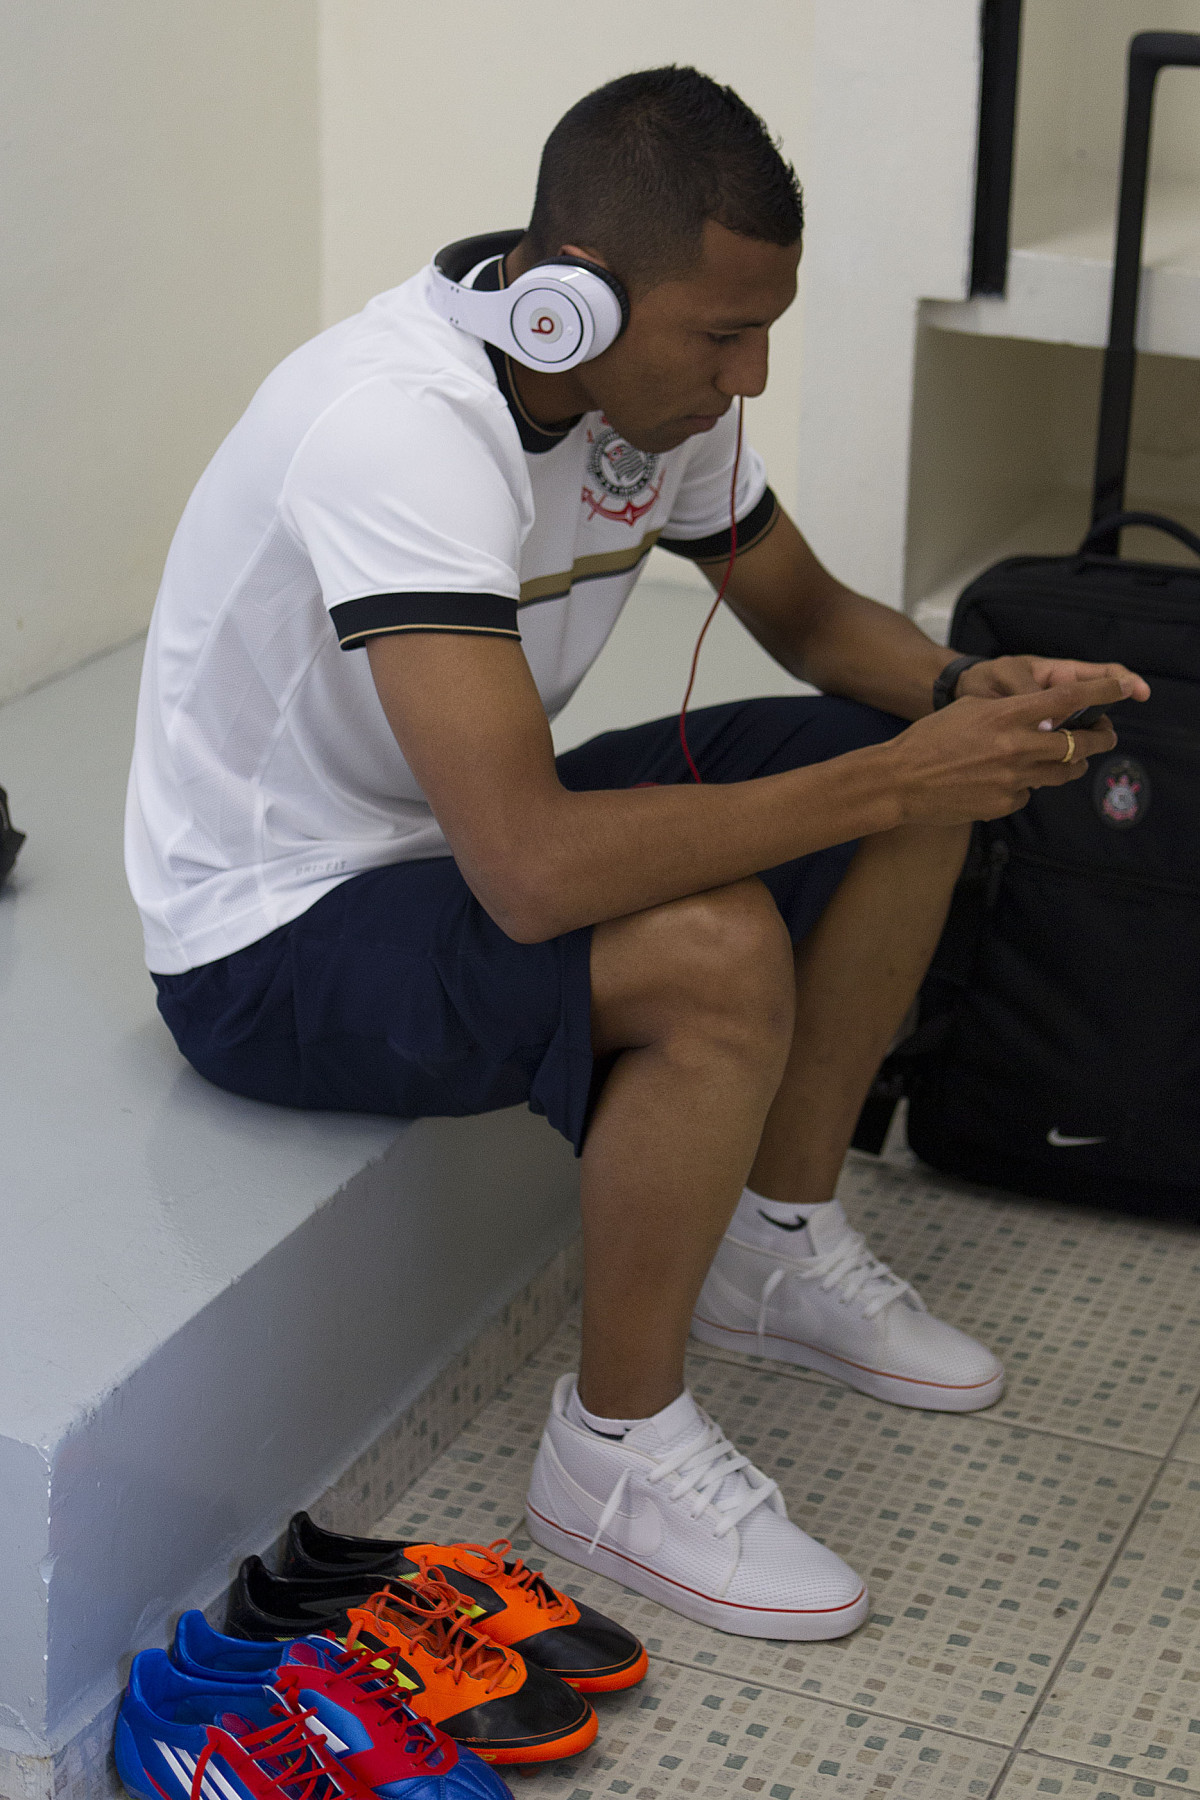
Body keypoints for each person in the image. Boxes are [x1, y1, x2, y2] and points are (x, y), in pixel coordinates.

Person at [126, 67, 1145, 1644]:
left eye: (767, 335)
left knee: (930, 784)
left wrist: (963, 703)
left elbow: (806, 621)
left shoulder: (645, 404)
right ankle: (610, 1453)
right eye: (720, 336)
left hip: (454, 839)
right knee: (720, 939)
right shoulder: (396, 428)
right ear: (567, 309)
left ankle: (774, 1239)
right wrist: (892, 773)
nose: (744, 380)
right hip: (275, 934)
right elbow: (531, 870)